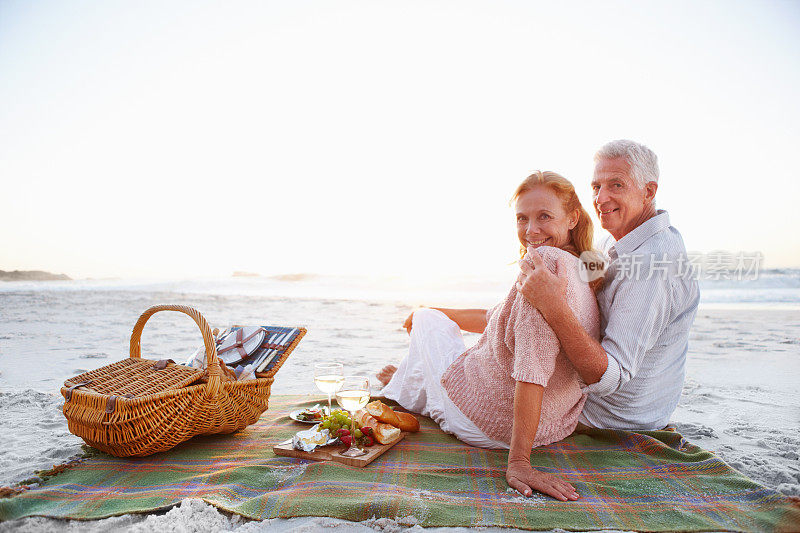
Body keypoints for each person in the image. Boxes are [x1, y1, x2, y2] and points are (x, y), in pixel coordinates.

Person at [378, 171, 600, 502]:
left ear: (571, 218)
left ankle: (406, 389)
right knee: (435, 319)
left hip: (484, 421)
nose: (530, 230)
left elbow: (531, 369)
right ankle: (411, 384)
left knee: (424, 320)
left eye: (544, 217)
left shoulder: (543, 267)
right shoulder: (586, 266)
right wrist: (443, 310)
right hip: (549, 426)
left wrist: (520, 464)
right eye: (522, 218)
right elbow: (499, 319)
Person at [516, 140, 700, 431]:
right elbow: (582, 301)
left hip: (609, 416)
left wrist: (553, 306)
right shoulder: (612, 242)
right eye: (595, 187)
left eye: (616, 185)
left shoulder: (652, 263)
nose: (601, 198)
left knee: (456, 376)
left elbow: (611, 377)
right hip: (597, 401)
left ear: (648, 191)